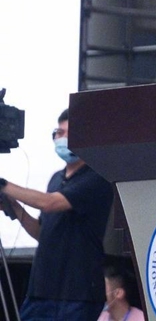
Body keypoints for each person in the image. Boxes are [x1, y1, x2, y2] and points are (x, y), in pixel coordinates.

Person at [0, 108, 114, 320]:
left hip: (78, 293)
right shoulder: (55, 179)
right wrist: (14, 207)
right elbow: (42, 233)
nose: (62, 138)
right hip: (41, 290)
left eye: (69, 133)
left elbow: (49, 203)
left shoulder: (96, 177)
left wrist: (4, 184)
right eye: (59, 133)